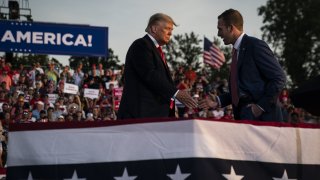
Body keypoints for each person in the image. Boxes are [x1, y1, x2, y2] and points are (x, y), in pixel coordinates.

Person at [199, 9, 286, 121]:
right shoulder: (237, 52)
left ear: (231, 28)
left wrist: (260, 107)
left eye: (220, 29)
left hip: (263, 118)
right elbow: (240, 91)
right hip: (243, 115)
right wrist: (218, 101)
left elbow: (279, 78)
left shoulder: (255, 45)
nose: (218, 34)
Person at [118, 13, 197, 119]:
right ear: (154, 28)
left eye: (172, 30)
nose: (170, 33)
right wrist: (176, 92)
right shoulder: (141, 45)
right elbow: (150, 75)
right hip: (140, 116)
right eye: (167, 28)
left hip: (153, 116)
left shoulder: (156, 50)